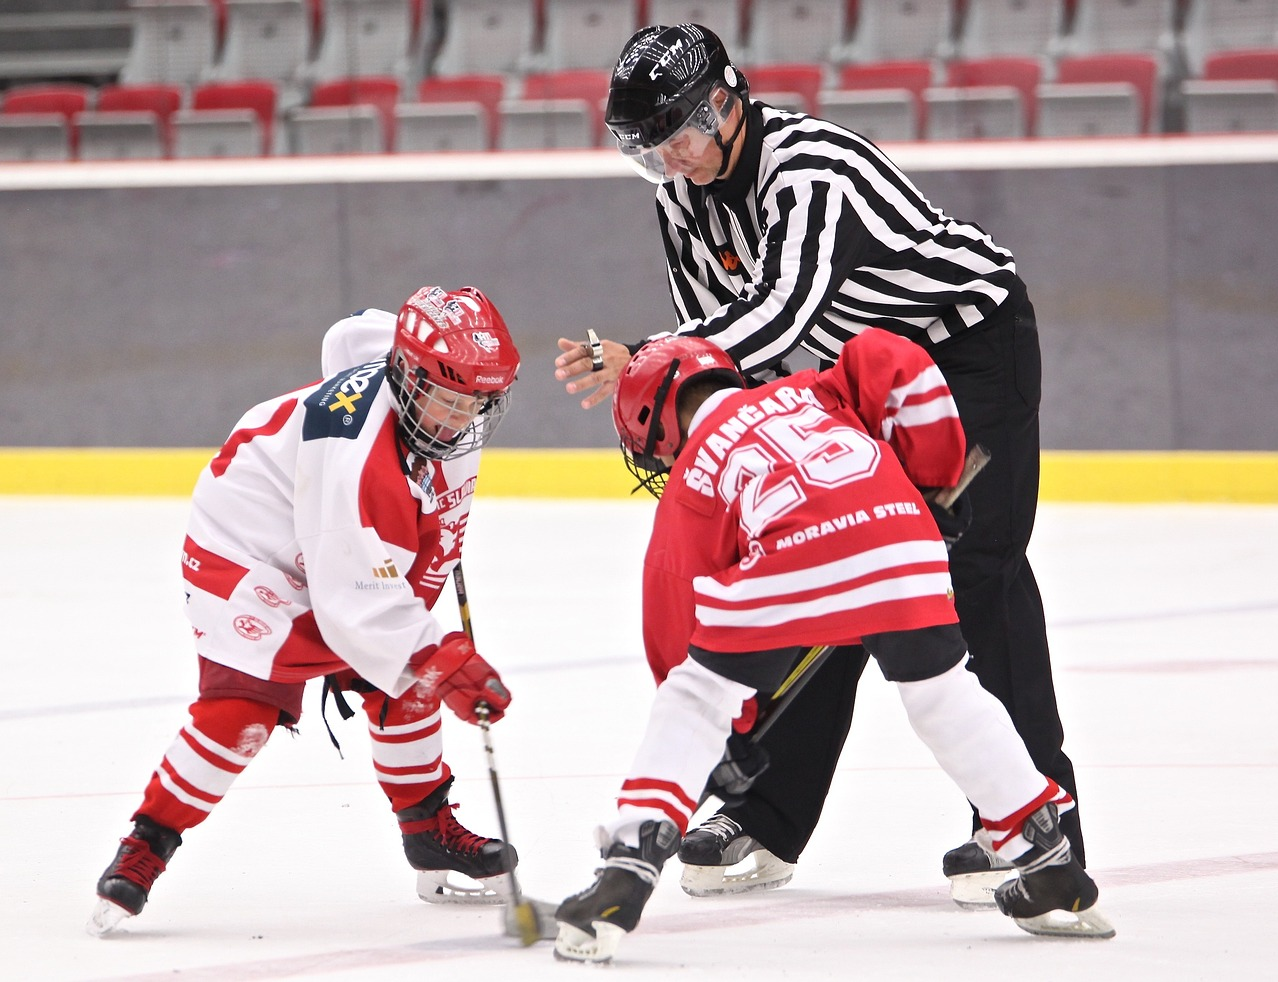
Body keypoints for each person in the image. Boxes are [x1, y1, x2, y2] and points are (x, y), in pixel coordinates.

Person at [554, 22, 1082, 908]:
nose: (671, 159)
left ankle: (1037, 818)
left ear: (725, 102)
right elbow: (730, 355)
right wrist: (684, 379)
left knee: (976, 576)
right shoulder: (680, 196)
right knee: (825, 563)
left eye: (679, 133)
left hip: (970, 358)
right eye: (651, 149)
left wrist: (648, 356)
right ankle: (766, 816)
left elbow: (782, 313)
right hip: (863, 379)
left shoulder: (809, 166)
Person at [552, 333, 1112, 963]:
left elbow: (673, 617)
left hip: (793, 558)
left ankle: (627, 868)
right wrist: (933, 477)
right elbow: (891, 358)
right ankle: (1050, 865)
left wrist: (729, 730)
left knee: (694, 696)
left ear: (652, 422)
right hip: (903, 537)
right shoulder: (806, 391)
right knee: (946, 696)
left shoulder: (694, 472)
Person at [88, 286, 522, 936]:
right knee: (246, 712)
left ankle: (427, 829)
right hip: (247, 548)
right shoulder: (351, 449)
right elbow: (353, 599)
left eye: (475, 402)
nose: (460, 418)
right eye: (447, 398)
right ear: (405, 375)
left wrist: (423, 650)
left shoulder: (419, 382)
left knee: (403, 674)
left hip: (327, 534)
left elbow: (350, 336)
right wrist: (444, 658)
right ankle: (147, 844)